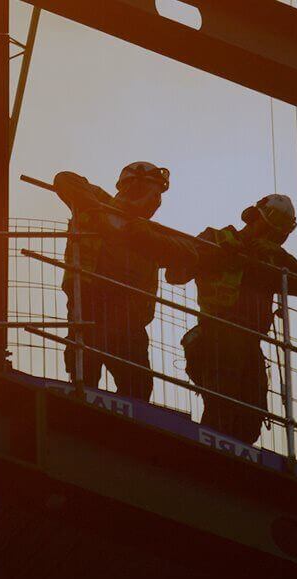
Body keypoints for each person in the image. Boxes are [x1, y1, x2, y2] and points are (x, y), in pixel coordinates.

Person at [167, 193, 297, 444]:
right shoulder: (216, 239)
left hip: (249, 346)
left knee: (251, 420)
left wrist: (276, 255)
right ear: (254, 217)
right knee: (222, 409)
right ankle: (208, 458)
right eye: (270, 231)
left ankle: (230, 465)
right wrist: (218, 255)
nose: (272, 238)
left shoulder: (269, 259)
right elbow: (175, 273)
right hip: (215, 338)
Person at [51, 161, 190, 402]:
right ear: (134, 186)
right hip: (91, 302)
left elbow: (189, 255)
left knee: (137, 386)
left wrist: (142, 234)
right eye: (155, 193)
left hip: (130, 315)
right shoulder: (96, 200)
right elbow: (64, 178)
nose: (157, 202)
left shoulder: (150, 230)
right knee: (84, 372)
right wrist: (106, 215)